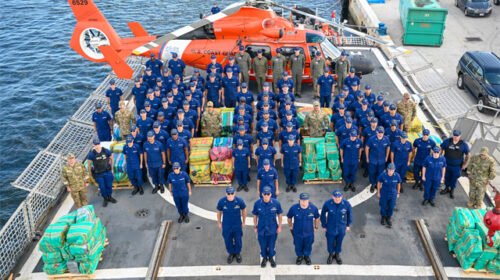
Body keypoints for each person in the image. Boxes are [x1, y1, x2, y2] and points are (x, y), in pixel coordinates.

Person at [252, 186, 283, 268]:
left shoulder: (276, 203)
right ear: (262, 194)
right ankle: (264, 258)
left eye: (268, 194)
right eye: (264, 194)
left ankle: (271, 258)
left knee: (272, 244)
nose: (266, 196)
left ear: (270, 194)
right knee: (262, 245)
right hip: (261, 229)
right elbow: (255, 215)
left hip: (272, 229)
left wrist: (280, 226)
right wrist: (255, 226)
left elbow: (280, 215)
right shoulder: (257, 204)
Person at [287, 193, 320, 265]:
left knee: (308, 245)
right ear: (299, 200)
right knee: (298, 245)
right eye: (302, 200)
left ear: (308, 200)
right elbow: (289, 218)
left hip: (309, 233)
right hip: (297, 233)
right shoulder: (294, 208)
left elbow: (317, 218)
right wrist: (290, 226)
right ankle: (299, 256)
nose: (304, 202)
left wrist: (316, 227)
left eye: (305, 200)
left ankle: (306, 256)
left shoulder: (313, 208)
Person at [321, 190, 352, 265]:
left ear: (342, 197)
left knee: (339, 241)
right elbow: (322, 214)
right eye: (335, 197)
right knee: (330, 242)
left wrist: (348, 225)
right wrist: (324, 225)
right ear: (332, 197)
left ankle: (337, 254)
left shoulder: (346, 204)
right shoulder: (327, 203)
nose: (337, 199)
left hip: (341, 227)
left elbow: (349, 215)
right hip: (330, 227)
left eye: (339, 197)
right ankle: (331, 254)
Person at [217, 186, 247, 264]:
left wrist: (244, 221)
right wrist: (219, 222)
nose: (230, 195)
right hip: (226, 225)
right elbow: (219, 212)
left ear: (234, 193)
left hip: (237, 225)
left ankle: (237, 253)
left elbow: (244, 210)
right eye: (228, 193)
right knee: (227, 240)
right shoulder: (222, 202)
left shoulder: (239, 201)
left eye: (232, 193)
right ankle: (231, 253)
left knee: (238, 240)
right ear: (226, 193)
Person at [440, 130, 470, 199]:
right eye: (454, 136)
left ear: (460, 136)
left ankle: (452, 190)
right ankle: (446, 188)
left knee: (454, 178)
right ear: (453, 135)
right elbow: (441, 149)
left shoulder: (463, 144)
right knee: (446, 177)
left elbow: (468, 155)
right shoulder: (447, 141)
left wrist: (465, 165)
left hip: (456, 166)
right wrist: (439, 158)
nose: (456, 137)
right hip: (446, 164)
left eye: (457, 136)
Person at [87, 138, 116, 207]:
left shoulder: (106, 151)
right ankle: (105, 198)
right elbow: (89, 164)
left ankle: (109, 197)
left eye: (98, 144)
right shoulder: (91, 154)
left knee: (109, 186)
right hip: (98, 174)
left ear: (100, 144)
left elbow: (112, 158)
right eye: (95, 145)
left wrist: (112, 169)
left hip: (107, 172)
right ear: (93, 145)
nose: (97, 146)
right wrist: (90, 174)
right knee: (102, 187)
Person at [366, 126, 391, 193]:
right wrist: (367, 158)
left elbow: (388, 147)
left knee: (380, 173)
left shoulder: (386, 139)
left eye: (381, 133)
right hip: (373, 159)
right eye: (379, 132)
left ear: (383, 133)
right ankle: (373, 184)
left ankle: (378, 184)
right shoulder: (371, 139)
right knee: (372, 173)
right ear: (376, 132)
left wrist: (386, 157)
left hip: (382, 160)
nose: (380, 134)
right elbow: (367, 148)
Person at [377, 163, 401, 228]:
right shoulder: (383, 175)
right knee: (383, 206)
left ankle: (388, 217)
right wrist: (378, 192)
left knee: (391, 207)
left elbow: (399, 184)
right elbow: (379, 182)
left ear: (394, 170)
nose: (390, 171)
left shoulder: (397, 176)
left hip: (393, 194)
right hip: (384, 193)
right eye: (389, 170)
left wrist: (398, 193)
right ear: (387, 169)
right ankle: (383, 217)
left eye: (392, 170)